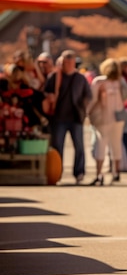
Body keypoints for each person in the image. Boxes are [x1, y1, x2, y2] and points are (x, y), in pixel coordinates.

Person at [43, 50, 92, 184]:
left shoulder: (80, 78)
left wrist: (84, 104)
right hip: (59, 118)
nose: (68, 64)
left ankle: (79, 172)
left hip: (76, 117)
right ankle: (57, 173)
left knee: (79, 147)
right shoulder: (54, 77)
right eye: (66, 62)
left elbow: (88, 94)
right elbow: (45, 92)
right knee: (58, 146)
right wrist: (49, 96)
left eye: (71, 62)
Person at [86, 58, 127, 185]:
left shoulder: (99, 81)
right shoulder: (121, 81)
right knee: (116, 144)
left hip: (104, 116)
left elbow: (93, 99)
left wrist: (87, 112)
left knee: (101, 144)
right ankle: (116, 172)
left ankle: (99, 174)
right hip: (119, 116)